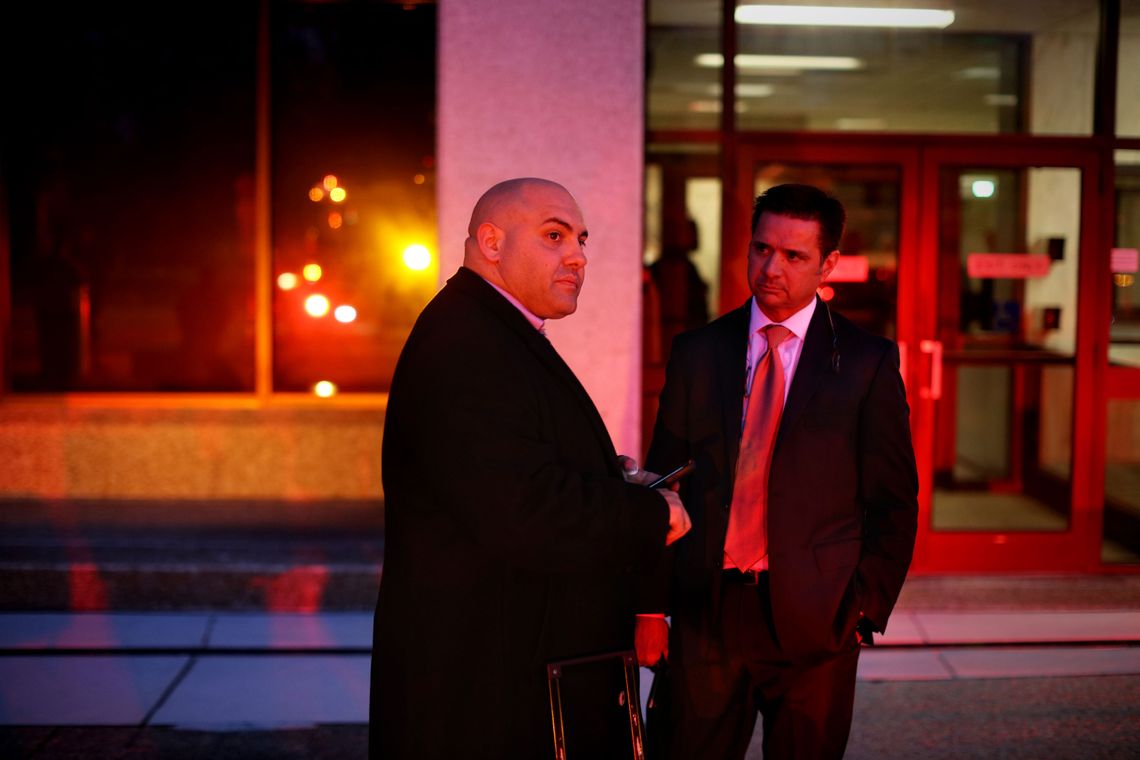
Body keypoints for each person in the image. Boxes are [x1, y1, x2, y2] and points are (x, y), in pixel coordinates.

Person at [370, 177, 691, 759]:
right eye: (554, 235)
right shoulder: (467, 343)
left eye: (582, 239)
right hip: (486, 695)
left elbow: (511, 470)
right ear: (491, 243)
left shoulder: (495, 332)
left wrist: (606, 476)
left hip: (507, 674)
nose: (578, 256)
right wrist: (647, 513)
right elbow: (522, 510)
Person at [637, 183, 918, 759]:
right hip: (707, 612)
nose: (772, 267)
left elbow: (893, 500)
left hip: (817, 620)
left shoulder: (865, 362)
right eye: (762, 249)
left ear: (827, 263)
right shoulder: (698, 351)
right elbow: (662, 486)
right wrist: (648, 607)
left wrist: (861, 609)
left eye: (793, 256)